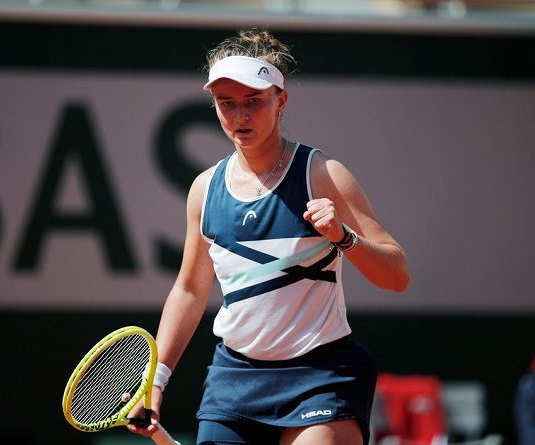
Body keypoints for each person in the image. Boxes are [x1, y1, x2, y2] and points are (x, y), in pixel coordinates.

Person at [129, 28, 410, 445]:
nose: (241, 115)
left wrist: (343, 236)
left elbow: (397, 275)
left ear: (281, 101)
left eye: (254, 101)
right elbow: (189, 289)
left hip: (322, 373)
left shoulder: (323, 175)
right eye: (227, 104)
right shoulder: (204, 190)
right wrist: (156, 382)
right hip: (236, 381)